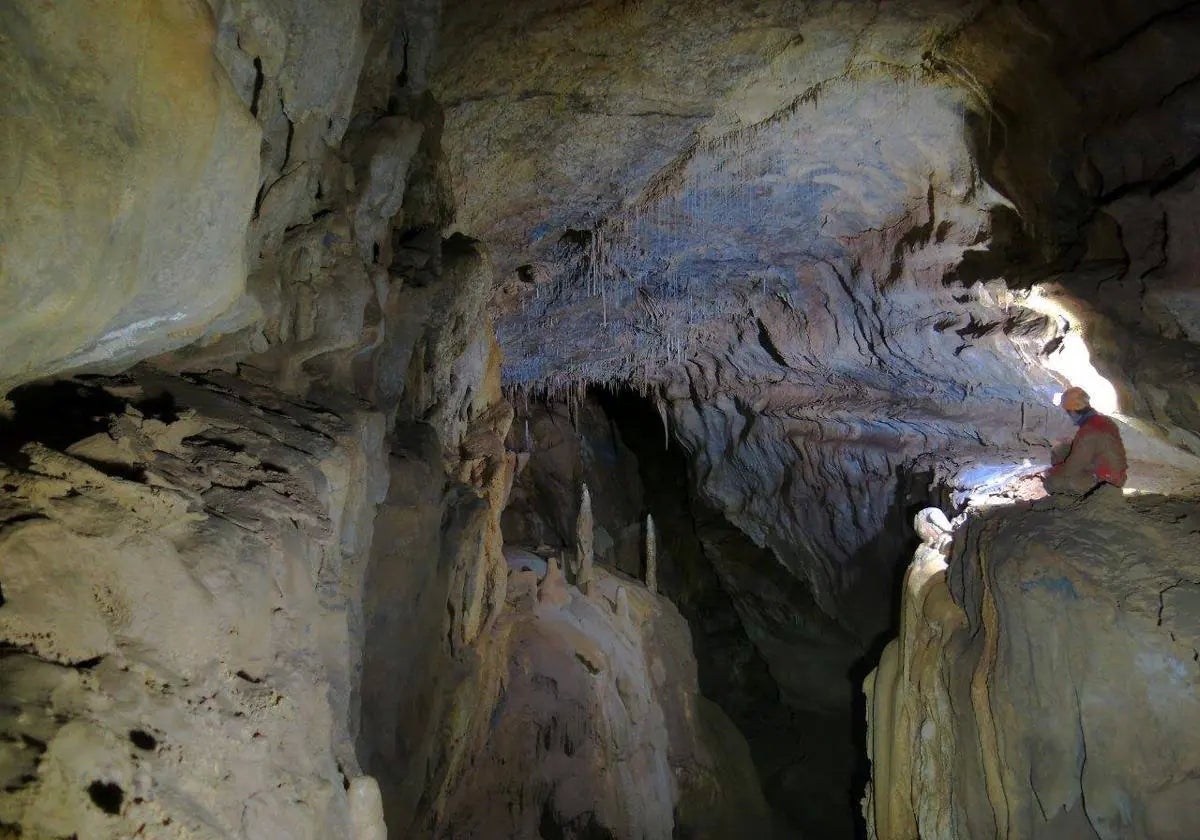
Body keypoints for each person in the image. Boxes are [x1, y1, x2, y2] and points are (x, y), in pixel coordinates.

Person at [1041, 386, 1127, 494]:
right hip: (1111, 471)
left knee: (1052, 482)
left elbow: (1072, 467)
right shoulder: (1104, 421)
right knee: (1061, 450)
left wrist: (1051, 472)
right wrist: (1074, 443)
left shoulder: (1089, 431)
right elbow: (1096, 445)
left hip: (1106, 481)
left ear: (1073, 412)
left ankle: (1079, 497)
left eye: (1068, 413)